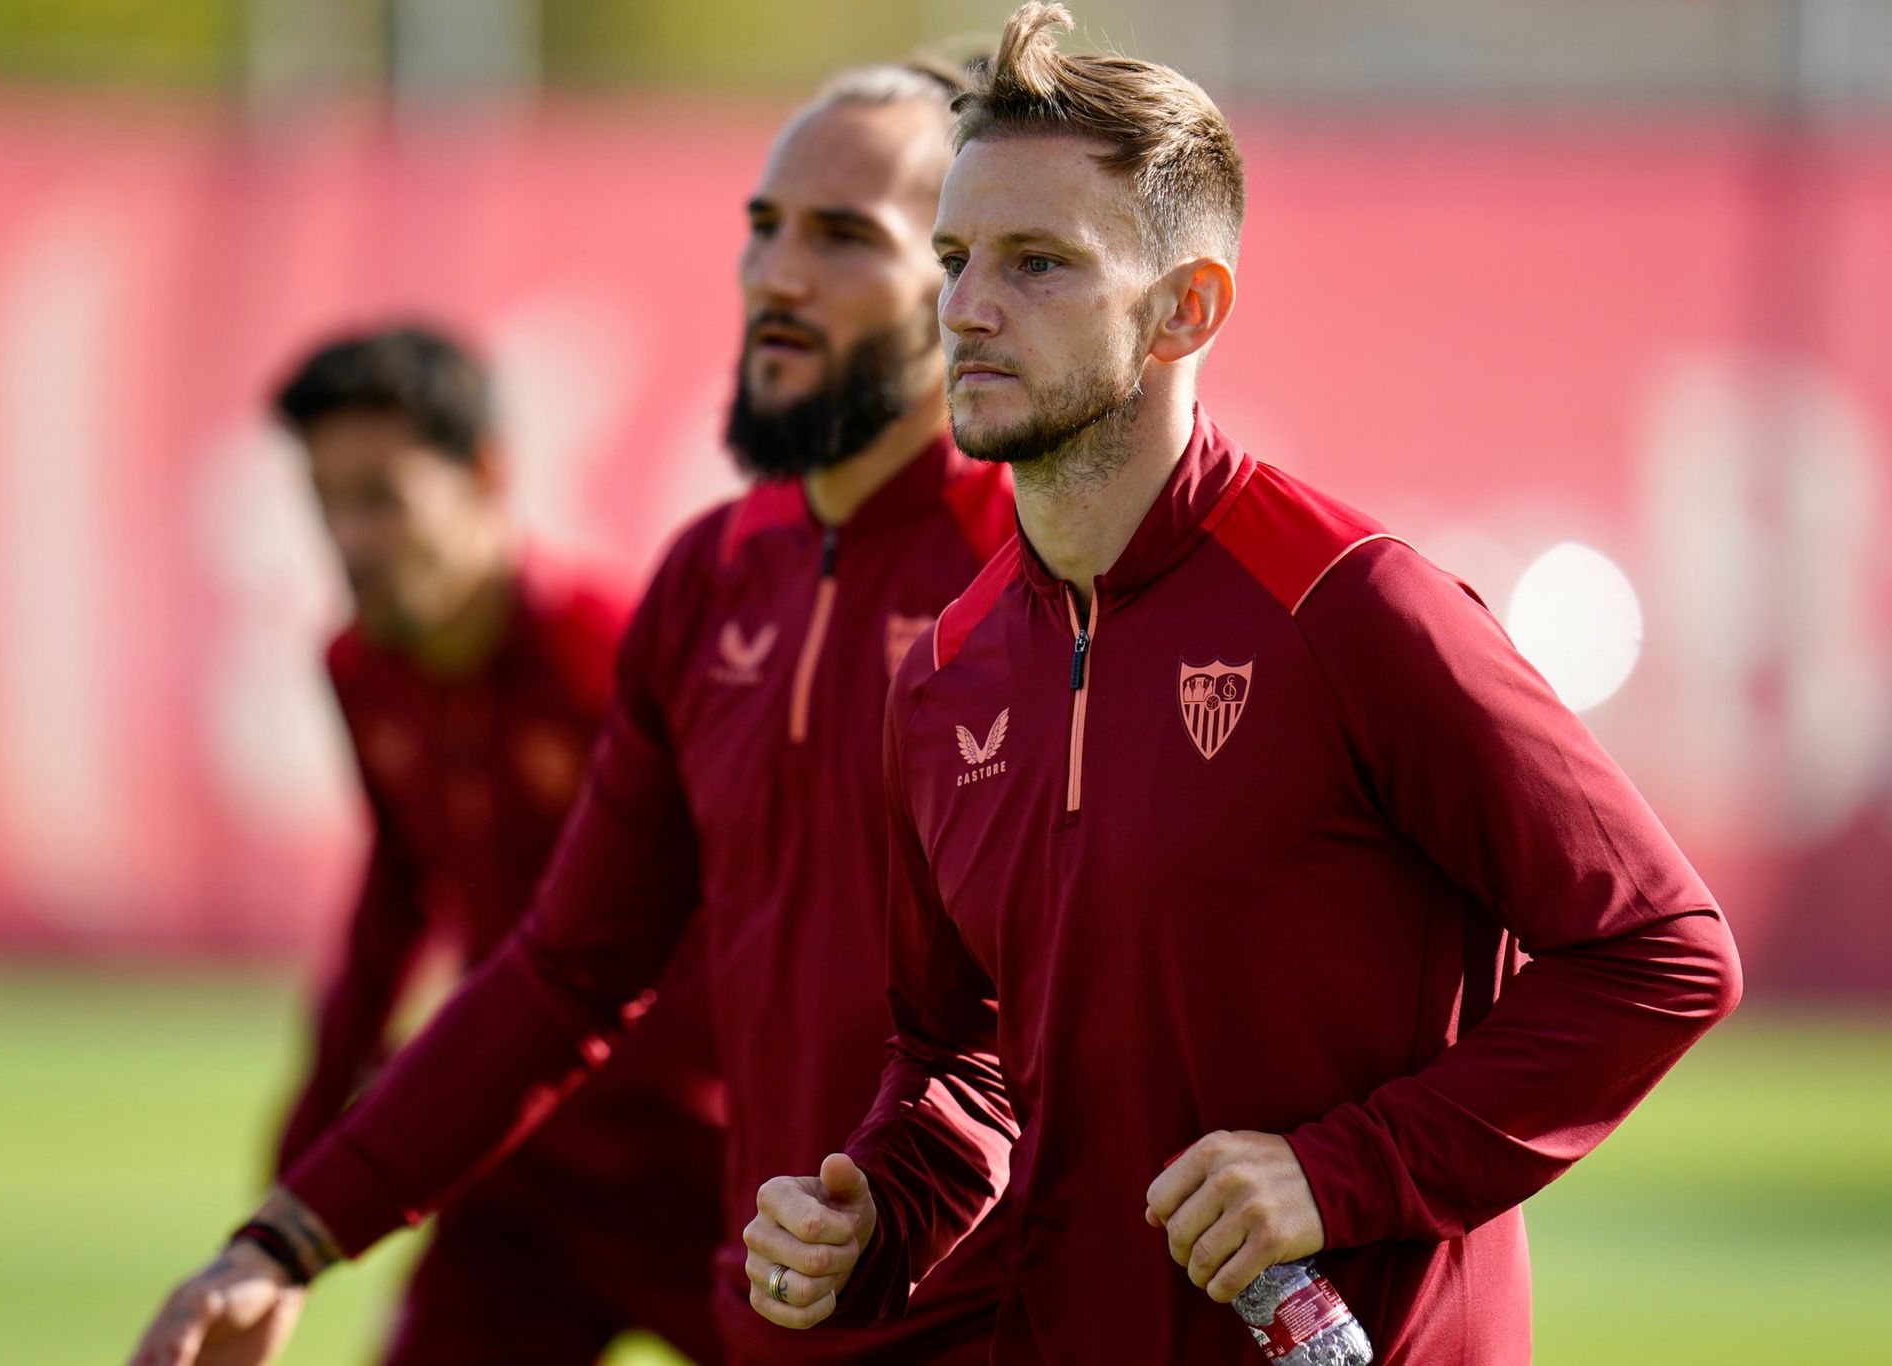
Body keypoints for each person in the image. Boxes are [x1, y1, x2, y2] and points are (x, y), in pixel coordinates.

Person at [742, 6, 1745, 1363]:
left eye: (1039, 264)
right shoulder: (945, 672)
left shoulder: (1358, 607)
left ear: (1184, 308)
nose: (968, 307)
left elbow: (1662, 950)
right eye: (958, 258)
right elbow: (958, 1058)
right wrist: (872, 1227)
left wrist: (1344, 1171)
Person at [129, 62, 1018, 1366]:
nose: (775, 275)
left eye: (842, 237)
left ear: (965, 282)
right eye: (764, 229)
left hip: (964, 1296)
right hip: (719, 1256)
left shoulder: (1050, 580)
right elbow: (562, 967)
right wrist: (289, 1229)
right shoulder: (708, 585)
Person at [274, 325, 727, 1365]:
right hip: (521, 1168)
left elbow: (745, 908)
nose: (348, 536)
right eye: (324, 501)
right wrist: (300, 1172)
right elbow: (394, 899)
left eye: (381, 496)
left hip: (702, 1164)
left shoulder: (608, 654)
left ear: (485, 473)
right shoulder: (359, 669)